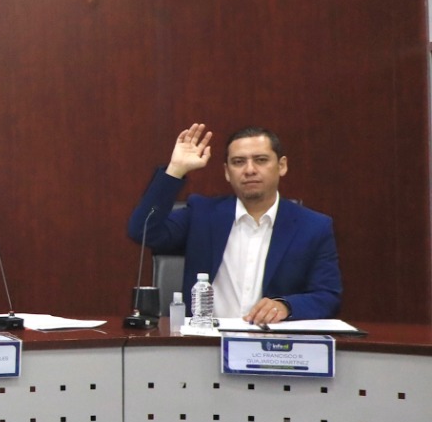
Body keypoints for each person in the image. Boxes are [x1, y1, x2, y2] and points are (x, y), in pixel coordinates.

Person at [128, 124, 341, 324]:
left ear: (282, 166)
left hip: (272, 343)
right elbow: (142, 230)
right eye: (238, 162)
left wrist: (286, 306)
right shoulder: (202, 214)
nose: (249, 170)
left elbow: (327, 296)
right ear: (227, 172)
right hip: (205, 340)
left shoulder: (313, 227)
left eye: (261, 160)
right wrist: (175, 170)